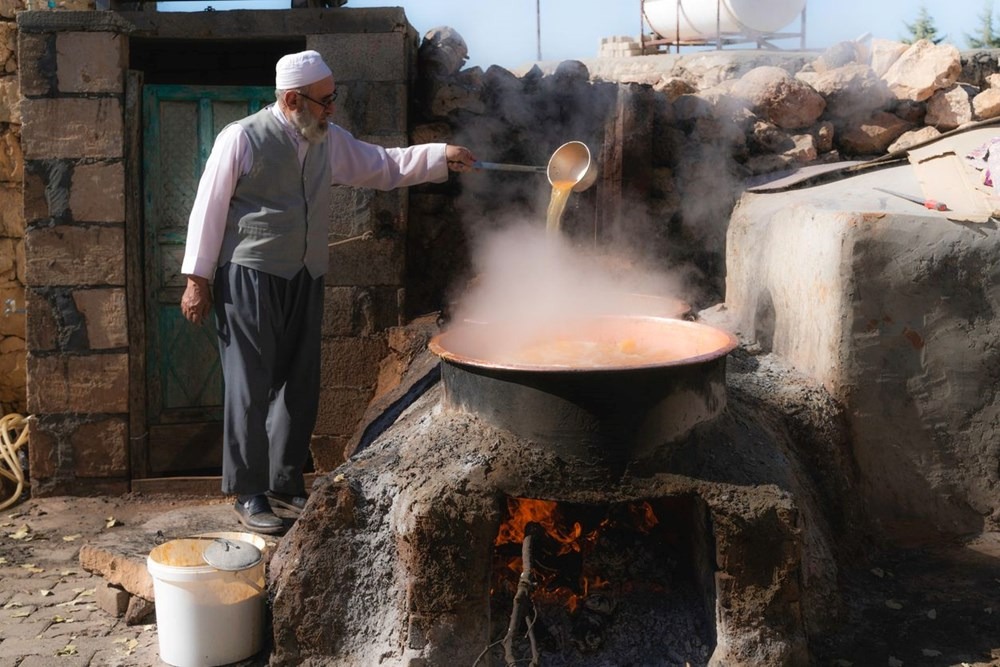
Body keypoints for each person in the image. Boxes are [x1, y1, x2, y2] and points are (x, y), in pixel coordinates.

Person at [179, 50, 476, 533]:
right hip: (249, 274)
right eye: (324, 101)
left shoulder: (327, 141)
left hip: (305, 274)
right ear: (292, 99)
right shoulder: (241, 137)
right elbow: (207, 208)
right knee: (250, 384)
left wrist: (440, 156)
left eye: (332, 99)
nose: (331, 109)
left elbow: (383, 166)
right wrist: (197, 279)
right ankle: (249, 490)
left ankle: (284, 482)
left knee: (300, 383)